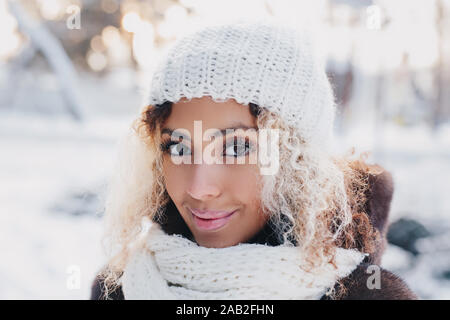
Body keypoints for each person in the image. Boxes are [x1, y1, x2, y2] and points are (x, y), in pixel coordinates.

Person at [90, 20, 417, 300]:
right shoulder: (119, 288)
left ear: (297, 163)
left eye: (236, 148)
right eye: (177, 147)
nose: (200, 188)